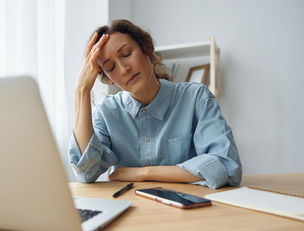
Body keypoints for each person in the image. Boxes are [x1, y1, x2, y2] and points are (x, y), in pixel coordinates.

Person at [68, 19, 242, 189]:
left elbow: (226, 167)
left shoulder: (196, 98)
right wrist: (81, 90)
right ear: (108, 79)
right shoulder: (106, 112)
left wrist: (144, 173)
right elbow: (86, 173)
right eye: (111, 68)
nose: (123, 69)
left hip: (193, 210)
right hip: (132, 210)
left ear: (146, 50)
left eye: (127, 53)